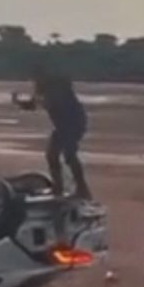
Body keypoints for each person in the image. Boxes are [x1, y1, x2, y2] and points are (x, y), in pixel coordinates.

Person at [14, 71, 92, 199]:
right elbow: (34, 105)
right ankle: (59, 187)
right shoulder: (42, 89)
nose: (34, 82)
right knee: (52, 155)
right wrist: (19, 102)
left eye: (36, 79)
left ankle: (82, 189)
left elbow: (52, 102)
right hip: (62, 126)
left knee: (69, 154)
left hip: (73, 122)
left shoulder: (57, 86)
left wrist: (42, 100)